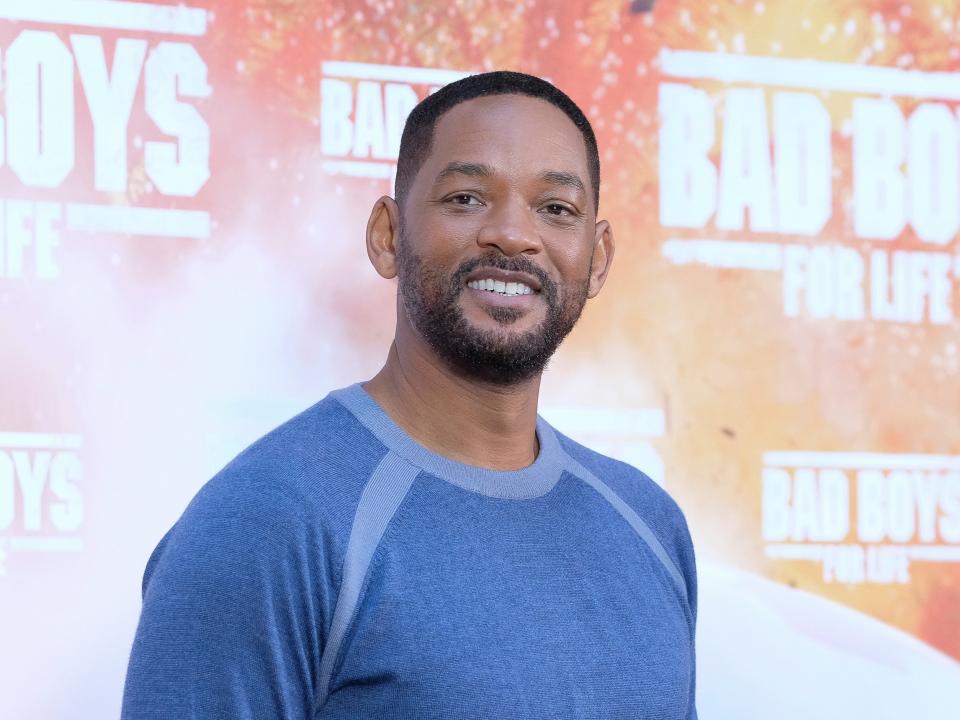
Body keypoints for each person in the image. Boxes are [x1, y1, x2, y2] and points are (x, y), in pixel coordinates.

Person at [121, 70, 698, 719]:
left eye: (555, 209)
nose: (513, 234)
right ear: (388, 236)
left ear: (596, 257)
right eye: (466, 198)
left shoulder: (650, 526)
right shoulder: (266, 522)